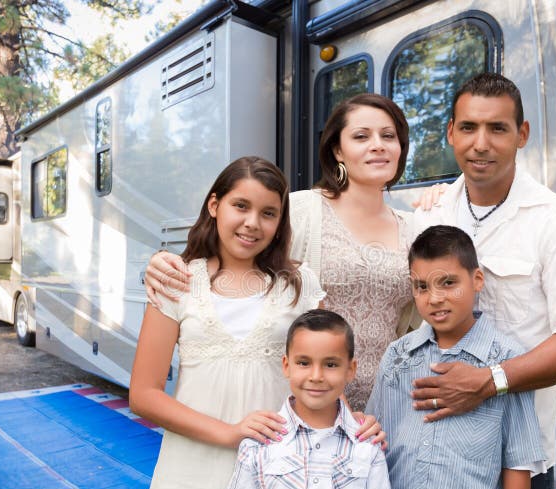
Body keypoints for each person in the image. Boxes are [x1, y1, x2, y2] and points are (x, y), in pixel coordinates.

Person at [410, 73, 556, 489]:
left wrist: (488, 382)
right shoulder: (430, 214)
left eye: (497, 128)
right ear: (450, 133)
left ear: (522, 134)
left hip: (519, 457)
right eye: (468, 128)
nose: (481, 144)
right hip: (436, 447)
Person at [144, 93, 416, 412]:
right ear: (337, 150)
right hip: (304, 406)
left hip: (388, 404)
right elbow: (236, 250)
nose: (378, 145)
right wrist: (163, 261)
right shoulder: (301, 209)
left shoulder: (416, 226)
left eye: (388, 136)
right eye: (361, 136)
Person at [129, 156, 328, 489]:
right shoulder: (178, 280)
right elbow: (143, 394)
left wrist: (354, 426)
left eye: (268, 213)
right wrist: (230, 432)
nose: (253, 223)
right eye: (241, 206)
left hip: (277, 480)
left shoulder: (299, 284)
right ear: (214, 205)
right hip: (191, 480)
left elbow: (321, 375)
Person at [366, 225, 544, 489]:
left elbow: (518, 463)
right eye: (422, 287)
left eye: (448, 283)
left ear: (477, 280)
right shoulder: (398, 356)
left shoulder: (507, 361)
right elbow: (374, 447)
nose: (435, 298)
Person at [218, 310, 398, 489]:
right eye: (304, 363)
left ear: (350, 370)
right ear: (286, 366)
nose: (316, 376)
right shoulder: (260, 442)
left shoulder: (367, 447)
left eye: (331, 364)